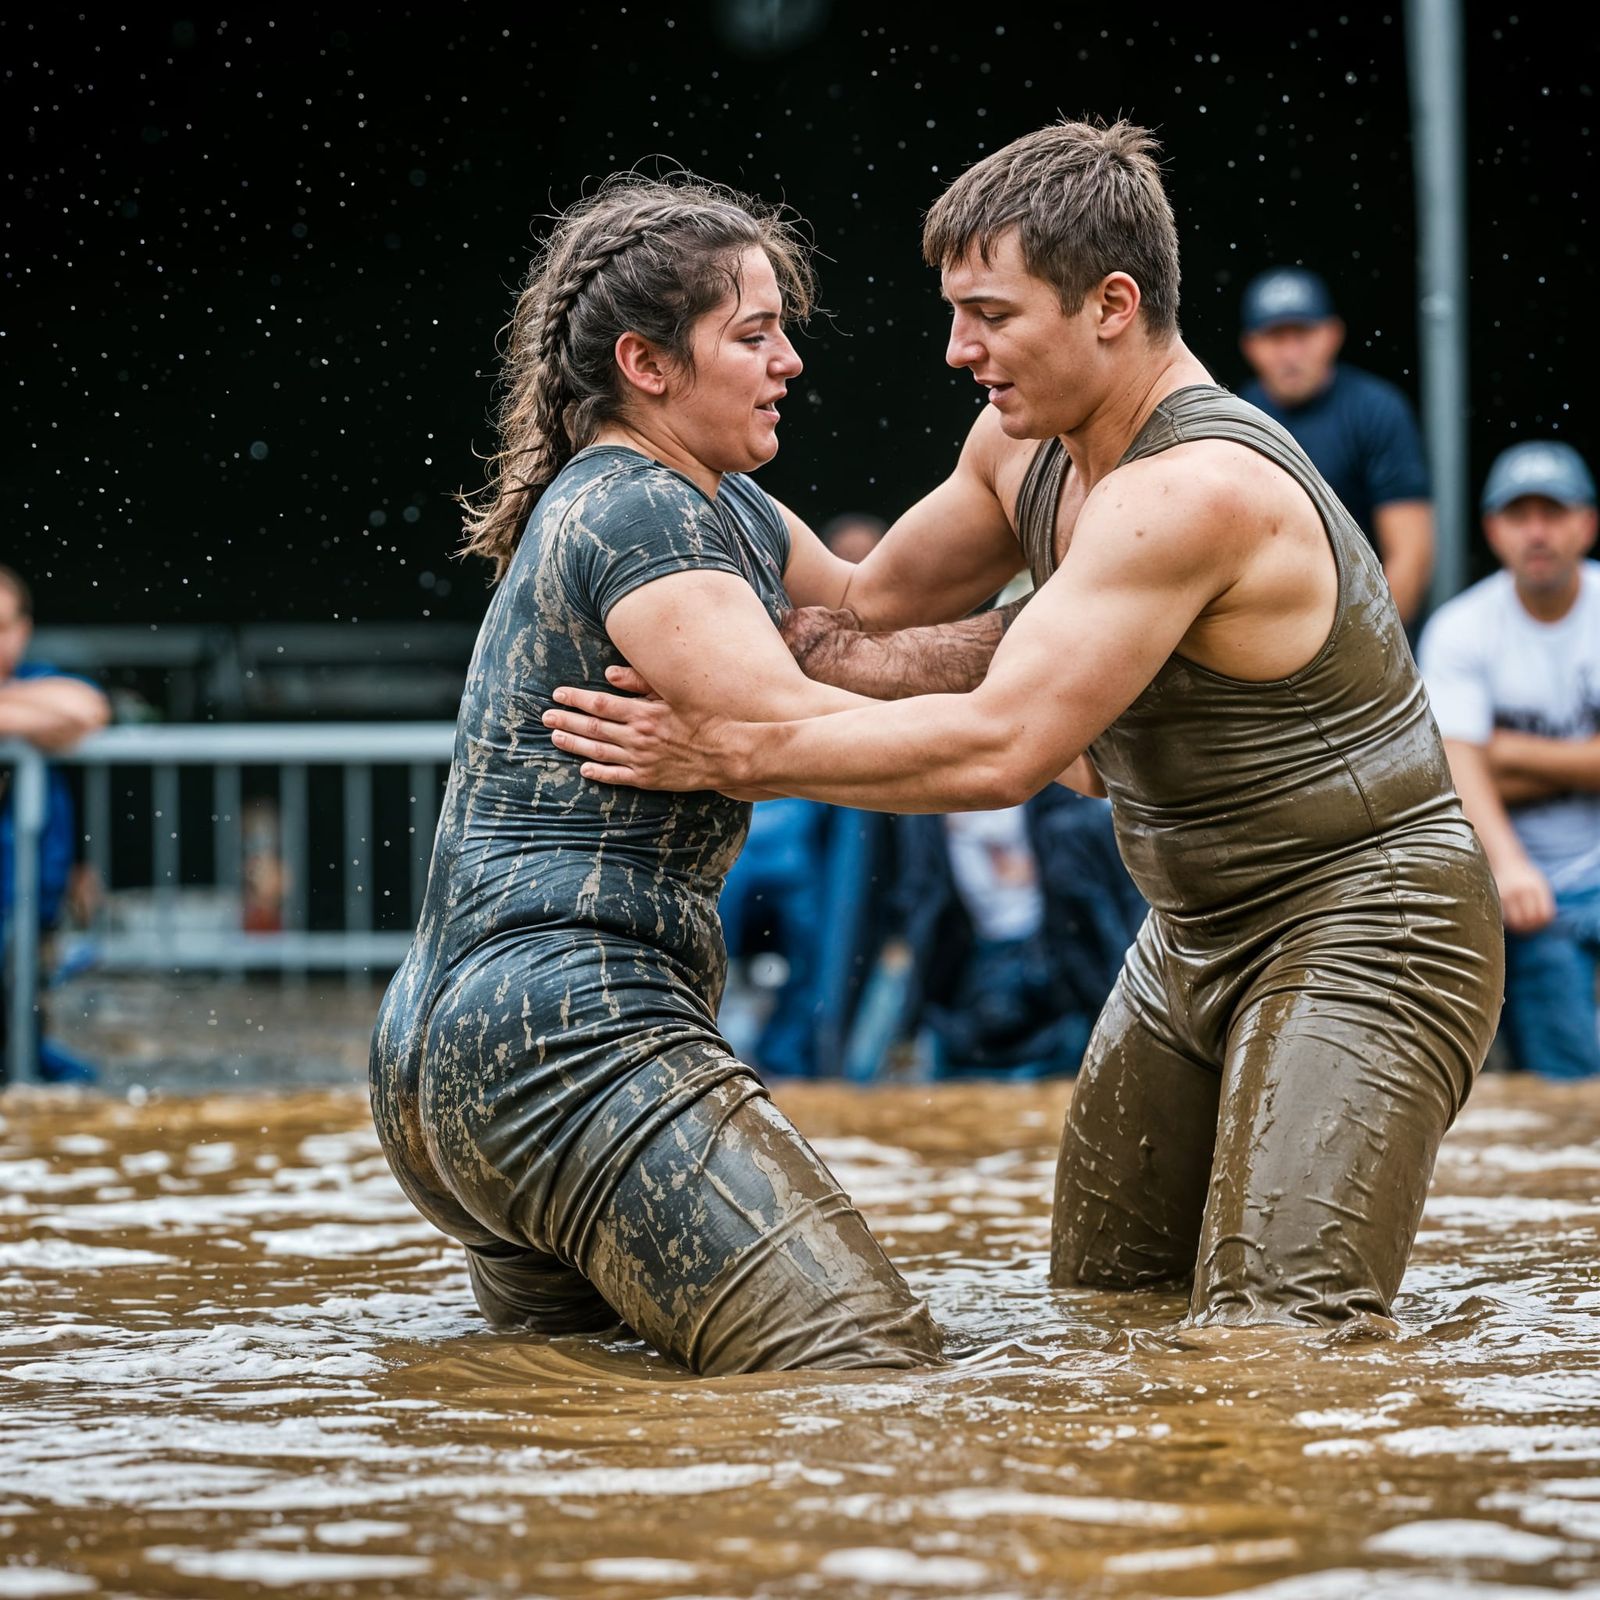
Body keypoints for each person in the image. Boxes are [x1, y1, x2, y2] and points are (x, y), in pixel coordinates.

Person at [544, 119, 1504, 1329]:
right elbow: (858, 604)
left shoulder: (1194, 489)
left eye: (990, 314)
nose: (959, 350)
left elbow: (1005, 749)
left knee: (1279, 1341)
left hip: (1372, 917)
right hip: (1192, 930)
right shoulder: (1020, 443)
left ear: (1110, 303)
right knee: (1102, 1311)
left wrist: (733, 747)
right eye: (955, 312)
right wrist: (657, 451)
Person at [369, 174, 941, 1376]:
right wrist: (1047, 728)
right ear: (645, 362)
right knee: (862, 1374)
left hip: (459, 1054)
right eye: (753, 334)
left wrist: (1080, 577)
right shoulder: (640, 512)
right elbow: (790, 727)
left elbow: (877, 620)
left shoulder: (710, 502)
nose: (789, 358)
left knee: (581, 1411)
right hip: (572, 1041)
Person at [1419, 441, 1600, 1080]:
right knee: (1572, 1087)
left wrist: (1505, 752)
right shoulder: (1462, 626)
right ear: (1493, 530)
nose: (1537, 532)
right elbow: (1452, 772)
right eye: (1519, 516)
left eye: (1553, 513)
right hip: (1530, 892)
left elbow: (1474, 759)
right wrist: (1513, 868)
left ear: (1587, 523)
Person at [1238, 267, 1435, 627]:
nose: (1290, 352)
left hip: (1362, 625)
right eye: (1275, 337)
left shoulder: (1376, 410)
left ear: (1332, 335)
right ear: (1250, 346)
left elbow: (1411, 556)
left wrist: (1369, 648)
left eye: (1303, 334)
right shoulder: (1236, 420)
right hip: (1263, 634)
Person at [0, 565, 109, 1085]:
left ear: (23, 629)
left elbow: (85, 709)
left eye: (0, 627)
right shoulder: (30, 694)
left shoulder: (40, 680)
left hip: (25, 915)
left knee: (29, 1046)